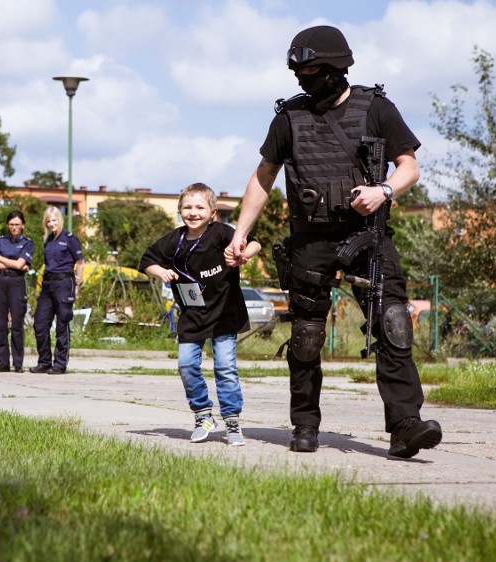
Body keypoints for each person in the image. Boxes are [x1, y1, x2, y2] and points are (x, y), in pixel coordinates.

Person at [228, 25, 442, 458]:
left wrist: (383, 191)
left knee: (393, 325)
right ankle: (304, 425)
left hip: (369, 236)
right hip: (309, 239)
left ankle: (405, 425)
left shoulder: (376, 108)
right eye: (298, 71)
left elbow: (409, 167)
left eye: (310, 70)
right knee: (306, 336)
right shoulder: (288, 118)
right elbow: (263, 177)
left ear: (335, 67)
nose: (302, 78)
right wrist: (240, 231)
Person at [140, 183, 261, 446]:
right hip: (193, 315)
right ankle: (203, 414)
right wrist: (159, 271)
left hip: (225, 313)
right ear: (179, 210)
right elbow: (147, 260)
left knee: (225, 368)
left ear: (213, 212)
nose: (193, 212)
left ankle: (232, 421)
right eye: (187, 207)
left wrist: (243, 256)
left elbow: (254, 244)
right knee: (185, 364)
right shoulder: (175, 240)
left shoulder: (220, 234)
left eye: (199, 207)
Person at [30, 207, 83, 375]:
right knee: (40, 323)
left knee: (62, 324)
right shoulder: (48, 240)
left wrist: (77, 286)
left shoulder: (70, 238)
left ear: (60, 220)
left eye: (54, 220)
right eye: (48, 221)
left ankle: (60, 364)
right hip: (48, 284)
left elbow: (80, 263)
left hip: (64, 283)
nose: (51, 224)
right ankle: (44, 362)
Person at [0, 211, 35, 373]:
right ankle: (2, 363)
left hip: (17, 282)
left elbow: (19, 265)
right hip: (0, 282)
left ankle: (18, 363)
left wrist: (2, 259)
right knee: (0, 324)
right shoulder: (1, 241)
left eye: (17, 224)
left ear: (22, 225)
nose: (14, 227)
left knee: (17, 324)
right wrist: (14, 263)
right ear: (8, 225)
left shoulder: (28, 243)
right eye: (11, 224)